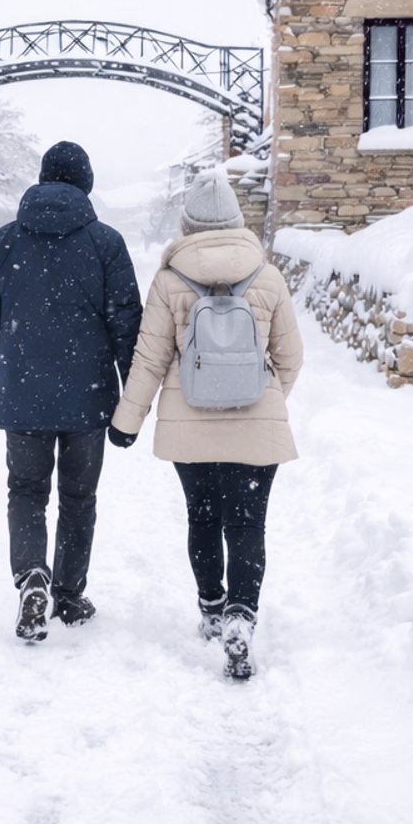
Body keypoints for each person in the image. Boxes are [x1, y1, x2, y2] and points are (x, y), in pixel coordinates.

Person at [108, 168, 302, 679]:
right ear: (238, 222)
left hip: (188, 427)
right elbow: (291, 356)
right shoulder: (267, 275)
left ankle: (212, 607)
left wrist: (127, 421)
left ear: (187, 225)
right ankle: (242, 615)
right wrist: (263, 396)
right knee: (246, 523)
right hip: (256, 427)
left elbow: (148, 359)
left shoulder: (170, 279)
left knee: (203, 517)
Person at [0, 141, 141, 643]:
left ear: (43, 179)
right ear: (85, 184)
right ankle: (67, 592)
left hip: (22, 393)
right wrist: (131, 397)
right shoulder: (106, 243)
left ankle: (31, 578)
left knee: (25, 491)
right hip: (88, 398)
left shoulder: (4, 242)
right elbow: (127, 324)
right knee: (78, 497)